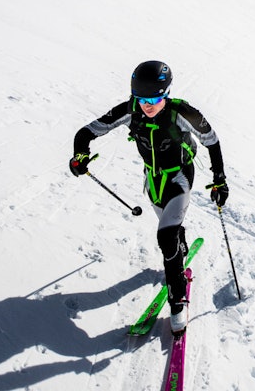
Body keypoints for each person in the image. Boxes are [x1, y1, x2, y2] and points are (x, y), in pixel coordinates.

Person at [69, 60, 228, 333]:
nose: (148, 104)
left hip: (179, 177)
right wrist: (79, 155)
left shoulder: (182, 113)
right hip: (152, 181)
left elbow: (212, 141)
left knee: (165, 236)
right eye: (141, 98)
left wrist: (220, 180)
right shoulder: (131, 111)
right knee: (171, 233)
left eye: (155, 97)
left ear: (166, 92)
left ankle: (178, 300)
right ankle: (179, 243)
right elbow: (86, 132)